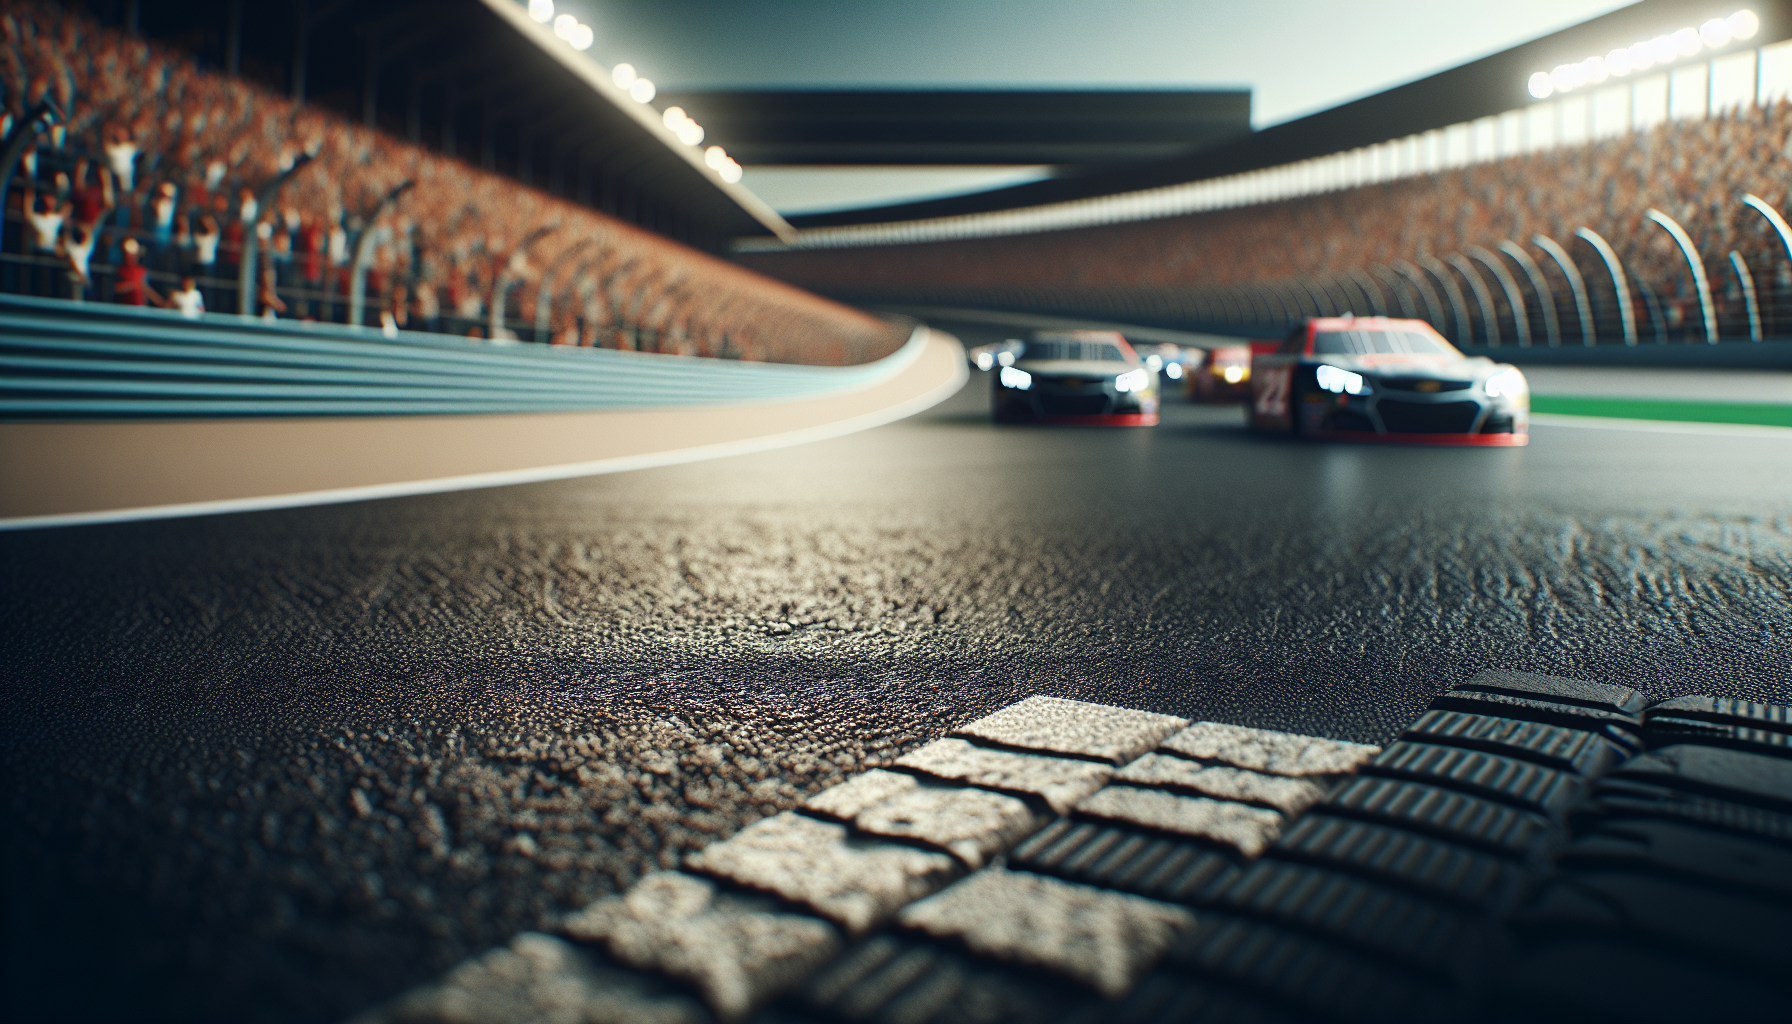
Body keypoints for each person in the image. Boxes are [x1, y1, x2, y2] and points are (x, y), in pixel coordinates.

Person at [114, 237, 163, 307]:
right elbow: (115, 289)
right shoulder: (121, 270)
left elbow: (146, 289)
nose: (130, 257)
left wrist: (161, 303)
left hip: (140, 309)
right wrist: (131, 285)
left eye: (133, 254)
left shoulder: (141, 271)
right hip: (125, 308)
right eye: (128, 254)